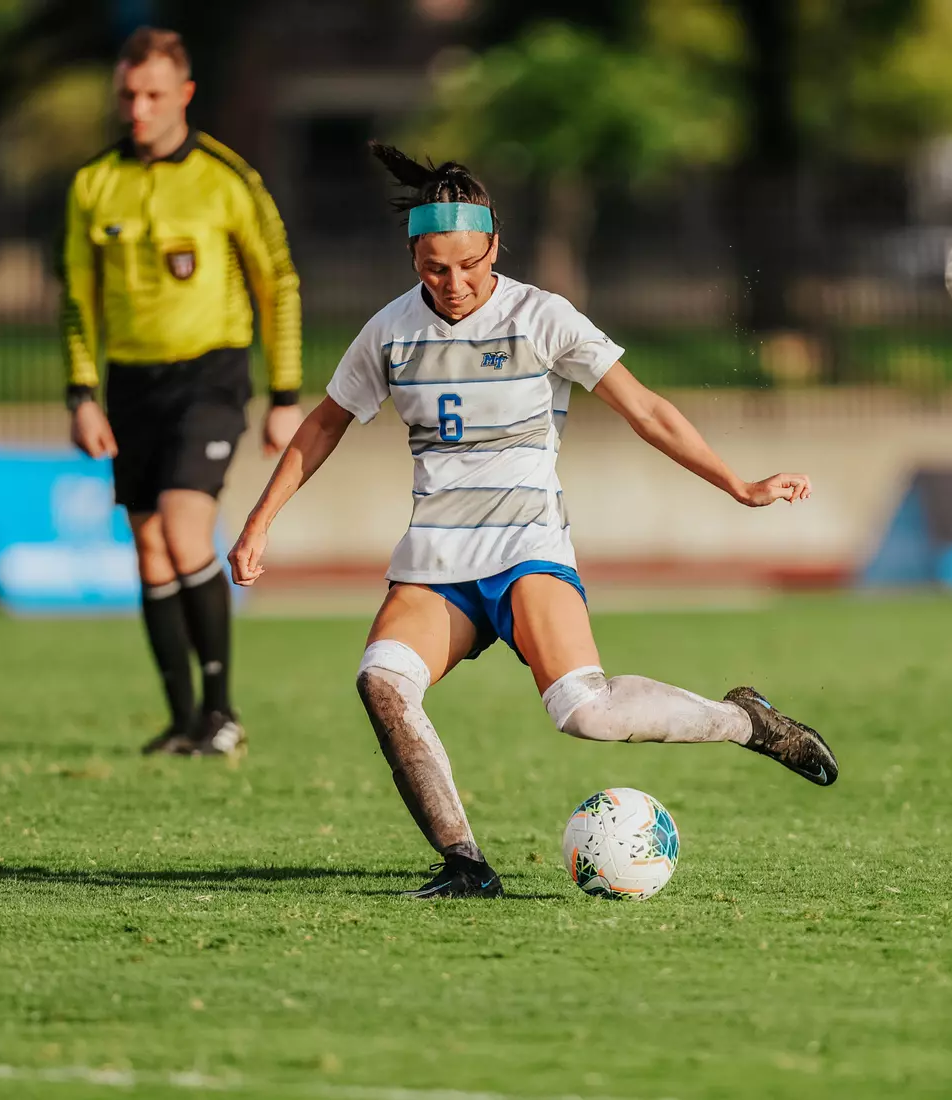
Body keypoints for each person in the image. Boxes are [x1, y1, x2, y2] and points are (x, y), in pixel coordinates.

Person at [229, 144, 838, 899]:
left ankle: (747, 722)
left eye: (468, 266)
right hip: (435, 560)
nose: (452, 284)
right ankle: (464, 863)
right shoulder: (388, 332)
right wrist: (260, 522)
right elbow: (321, 426)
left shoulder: (541, 316)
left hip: (525, 548)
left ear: (494, 246)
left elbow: (646, 409)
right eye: (432, 268)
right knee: (381, 683)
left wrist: (740, 485)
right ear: (413, 255)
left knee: (587, 713)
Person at [61, 27, 303, 758]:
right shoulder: (92, 183)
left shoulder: (228, 178)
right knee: (147, 551)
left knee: (182, 527)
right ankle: (183, 720)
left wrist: (284, 393)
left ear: (184, 95)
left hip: (212, 373)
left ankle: (223, 713)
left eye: (154, 95)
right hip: (133, 382)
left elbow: (279, 283)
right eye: (129, 95)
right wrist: (81, 392)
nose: (138, 108)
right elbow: (77, 299)